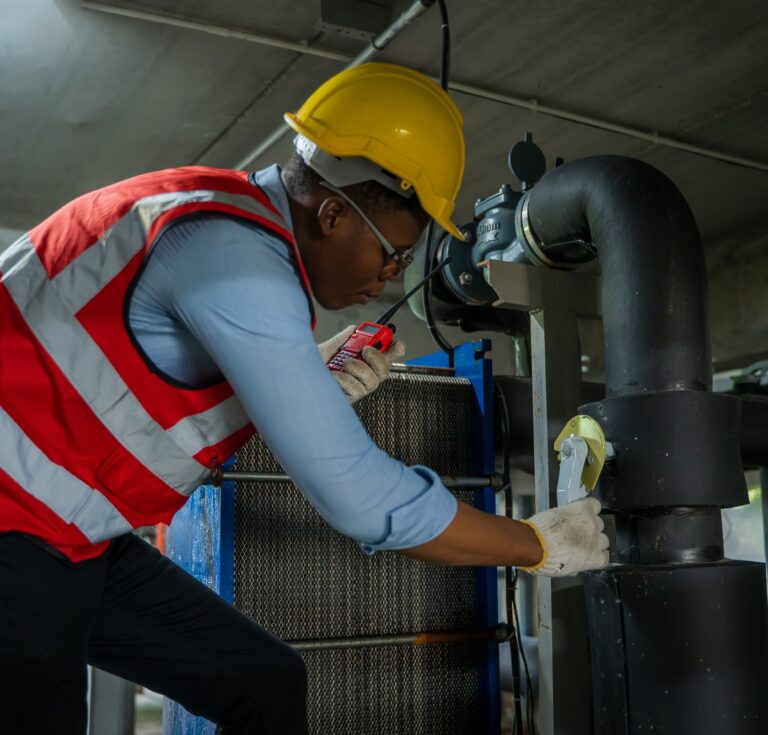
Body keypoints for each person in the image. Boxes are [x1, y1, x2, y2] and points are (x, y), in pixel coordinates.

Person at [0, 62, 608, 734]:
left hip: (73, 534)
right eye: (396, 254)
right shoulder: (236, 261)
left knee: (264, 681)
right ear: (332, 212)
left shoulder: (224, 224)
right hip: (13, 525)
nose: (388, 278)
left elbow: (130, 390)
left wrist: (299, 376)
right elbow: (362, 497)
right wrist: (531, 541)